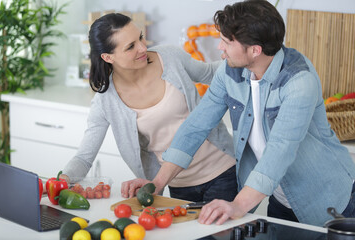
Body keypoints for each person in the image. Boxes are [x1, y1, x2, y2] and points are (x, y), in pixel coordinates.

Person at [129, 0, 355, 227]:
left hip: (326, 197)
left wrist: (237, 205)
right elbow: (196, 126)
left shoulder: (298, 81)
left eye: (227, 42)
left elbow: (280, 149)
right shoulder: (230, 72)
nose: (220, 47)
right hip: (281, 199)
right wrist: (157, 183)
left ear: (255, 50)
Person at [60, 12, 238, 203]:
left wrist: (248, 55)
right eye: (130, 47)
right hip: (176, 184)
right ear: (107, 57)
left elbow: (210, 73)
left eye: (140, 38)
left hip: (223, 171)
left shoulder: (169, 57)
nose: (143, 48)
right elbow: (84, 157)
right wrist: (60, 182)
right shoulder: (105, 101)